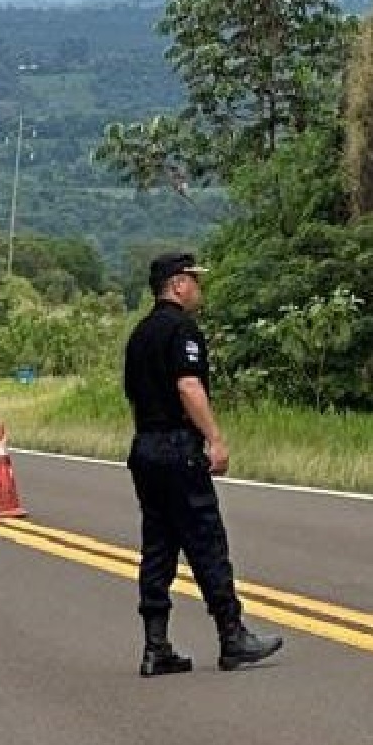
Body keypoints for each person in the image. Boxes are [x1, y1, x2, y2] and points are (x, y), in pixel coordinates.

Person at [123, 252, 282, 676]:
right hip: (178, 447)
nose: (198, 287)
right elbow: (188, 386)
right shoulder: (181, 329)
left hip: (145, 447)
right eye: (194, 280)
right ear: (177, 284)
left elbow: (136, 396)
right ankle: (232, 635)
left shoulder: (138, 335)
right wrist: (214, 439)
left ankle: (155, 645)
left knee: (158, 546)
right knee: (206, 539)